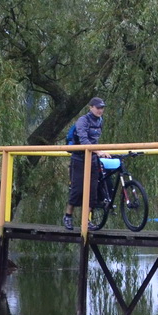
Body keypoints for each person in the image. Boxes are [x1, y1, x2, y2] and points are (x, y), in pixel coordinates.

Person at [63, 97, 106, 228]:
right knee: (77, 189)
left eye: (102, 108)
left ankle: (86, 221)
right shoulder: (83, 120)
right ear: (90, 107)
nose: (100, 110)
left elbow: (95, 140)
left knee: (92, 191)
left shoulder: (100, 121)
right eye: (98, 108)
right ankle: (68, 216)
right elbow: (84, 140)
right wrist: (98, 151)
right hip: (79, 158)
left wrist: (99, 152)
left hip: (92, 158)